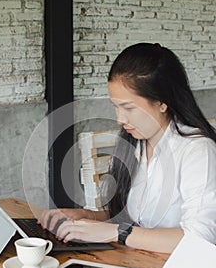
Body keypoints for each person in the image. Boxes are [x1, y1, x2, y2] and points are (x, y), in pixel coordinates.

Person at [38, 43, 216, 253]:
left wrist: (117, 233)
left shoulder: (197, 151)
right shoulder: (136, 144)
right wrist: (88, 217)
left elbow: (199, 240)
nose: (120, 119)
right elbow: (134, 218)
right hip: (141, 267)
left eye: (129, 108)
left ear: (162, 103)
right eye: (116, 106)